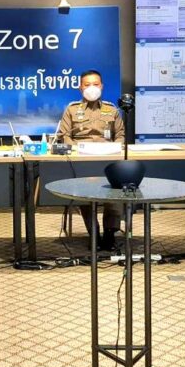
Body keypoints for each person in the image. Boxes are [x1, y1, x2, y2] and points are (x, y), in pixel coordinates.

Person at [57, 69, 124, 250]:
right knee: (85, 194)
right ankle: (93, 233)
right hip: (82, 160)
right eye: (87, 85)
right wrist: (76, 151)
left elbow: (120, 135)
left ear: (101, 86)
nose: (92, 88)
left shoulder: (112, 109)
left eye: (96, 84)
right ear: (80, 88)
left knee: (115, 193)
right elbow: (64, 135)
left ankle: (110, 234)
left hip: (108, 159)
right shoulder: (72, 109)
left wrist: (115, 149)